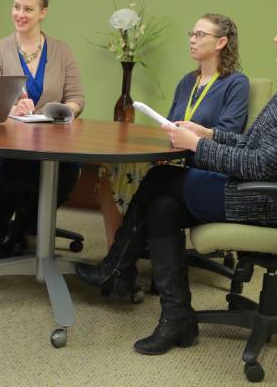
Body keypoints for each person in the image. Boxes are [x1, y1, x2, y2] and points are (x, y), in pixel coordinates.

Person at [76, 0, 277, 355]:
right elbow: (255, 143)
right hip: (264, 190)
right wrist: (208, 134)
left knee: (161, 181)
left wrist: (196, 146)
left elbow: (264, 165)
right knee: (162, 206)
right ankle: (175, 316)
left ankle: (116, 270)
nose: (275, 38)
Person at [96, 14, 249, 247]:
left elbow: (230, 134)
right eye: (192, 34)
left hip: (202, 162)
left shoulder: (236, 83)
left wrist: (195, 136)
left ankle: (122, 254)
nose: (192, 40)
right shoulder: (188, 81)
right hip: (171, 156)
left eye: (200, 35)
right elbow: (170, 122)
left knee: (130, 171)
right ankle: (116, 251)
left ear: (221, 42)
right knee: (110, 169)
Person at [0, 0, 85, 262]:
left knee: (69, 170)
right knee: (17, 168)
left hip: (53, 138)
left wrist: (62, 111)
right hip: (10, 138)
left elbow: (76, 98)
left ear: (43, 13)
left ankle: (21, 228)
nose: (20, 14)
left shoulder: (62, 51)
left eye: (28, 9)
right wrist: (13, 106)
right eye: (16, 7)